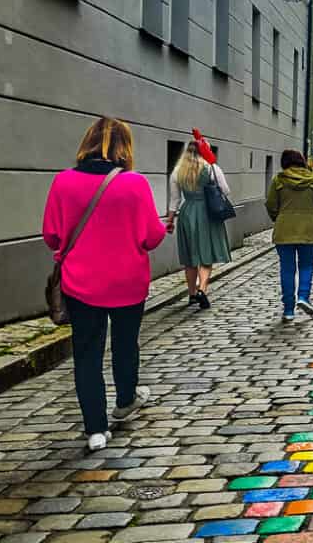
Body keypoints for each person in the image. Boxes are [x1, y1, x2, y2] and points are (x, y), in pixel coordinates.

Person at [42, 117, 167, 452]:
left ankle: (95, 430)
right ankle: (125, 401)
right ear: (125, 147)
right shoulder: (135, 184)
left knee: (87, 353)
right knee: (126, 344)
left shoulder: (63, 182)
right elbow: (152, 237)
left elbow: (51, 235)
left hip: (81, 284)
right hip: (127, 283)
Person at [266, 149, 313, 321]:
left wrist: (278, 217)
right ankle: (303, 296)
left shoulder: (278, 180)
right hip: (308, 230)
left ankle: (288, 309)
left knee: (287, 269)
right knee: (306, 266)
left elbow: (270, 204)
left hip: (284, 231)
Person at [166, 138, 232, 309]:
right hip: (206, 213)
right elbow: (225, 190)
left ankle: (192, 294)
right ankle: (202, 289)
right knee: (206, 253)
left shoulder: (177, 171)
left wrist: (170, 220)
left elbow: (174, 200)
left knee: (190, 257)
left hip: (187, 213)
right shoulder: (211, 168)